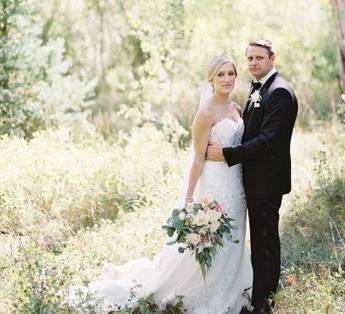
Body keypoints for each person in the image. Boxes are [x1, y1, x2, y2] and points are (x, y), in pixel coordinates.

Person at [67, 55, 253, 314]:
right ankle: (201, 294)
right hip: (214, 185)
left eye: (231, 74)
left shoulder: (236, 108)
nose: (227, 79)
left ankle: (231, 290)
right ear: (211, 78)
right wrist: (189, 198)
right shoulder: (205, 113)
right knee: (210, 239)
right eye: (220, 74)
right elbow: (198, 159)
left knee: (232, 238)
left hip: (235, 185)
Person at [206, 40, 298, 314]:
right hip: (253, 181)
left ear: (272, 58)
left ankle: (264, 305)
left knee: (266, 243)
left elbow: (269, 141)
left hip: (267, 182)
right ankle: (256, 296)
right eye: (250, 58)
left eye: (259, 57)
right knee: (258, 241)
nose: (254, 63)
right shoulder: (258, 89)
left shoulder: (280, 92)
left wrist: (227, 154)